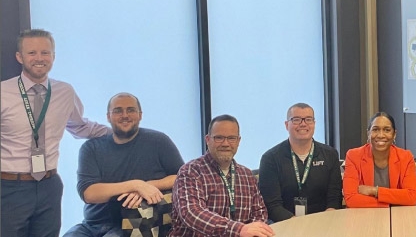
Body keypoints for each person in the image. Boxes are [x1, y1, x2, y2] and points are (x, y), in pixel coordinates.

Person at [0, 29, 111, 236]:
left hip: (49, 185)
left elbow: (81, 126)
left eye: (45, 52)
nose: (39, 58)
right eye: (32, 53)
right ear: (19, 57)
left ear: (53, 56)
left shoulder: (64, 92)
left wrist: (117, 133)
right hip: (9, 187)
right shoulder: (3, 93)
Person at [63, 93, 185, 236]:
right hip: (92, 225)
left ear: (140, 115)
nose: (125, 115)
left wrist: (149, 185)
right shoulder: (91, 148)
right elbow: (89, 194)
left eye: (131, 110)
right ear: (108, 116)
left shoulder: (159, 141)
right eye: (118, 111)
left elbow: (181, 177)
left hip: (134, 225)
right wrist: (135, 185)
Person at [170, 115, 274, 237]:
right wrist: (239, 230)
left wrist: (256, 231)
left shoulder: (247, 175)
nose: (225, 143)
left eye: (231, 138)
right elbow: (192, 213)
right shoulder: (191, 171)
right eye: (219, 138)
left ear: (238, 141)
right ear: (208, 140)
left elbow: (259, 213)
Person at [259, 103, 342, 222]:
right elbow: (272, 204)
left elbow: (334, 197)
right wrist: (298, 225)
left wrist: (326, 220)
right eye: (296, 120)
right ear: (287, 125)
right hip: (285, 224)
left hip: (323, 222)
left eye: (308, 119)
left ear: (314, 124)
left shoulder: (330, 155)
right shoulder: (270, 158)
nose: (303, 124)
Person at [343, 112, 416, 207]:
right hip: (364, 216)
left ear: (394, 134)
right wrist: (393, 202)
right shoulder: (353, 156)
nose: (381, 135)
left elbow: (412, 197)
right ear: (368, 133)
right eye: (375, 130)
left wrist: (376, 191)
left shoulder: (406, 157)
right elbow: (351, 199)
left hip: (397, 216)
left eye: (387, 130)